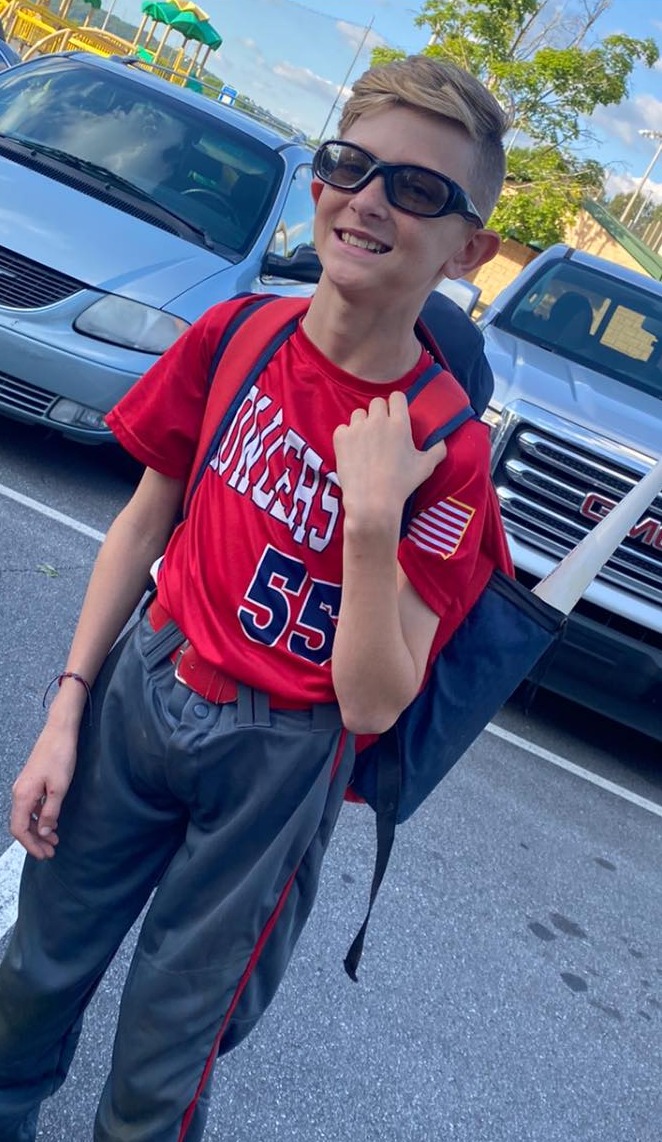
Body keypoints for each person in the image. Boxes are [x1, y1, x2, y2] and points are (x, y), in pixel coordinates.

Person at [0, 54, 511, 1141]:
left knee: (164, 1059)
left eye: (417, 188)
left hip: (280, 753)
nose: (368, 199)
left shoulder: (446, 452)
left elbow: (373, 701)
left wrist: (372, 522)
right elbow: (144, 522)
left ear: (469, 249)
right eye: (349, 165)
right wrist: (65, 708)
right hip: (145, 687)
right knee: (30, 979)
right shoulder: (237, 333)